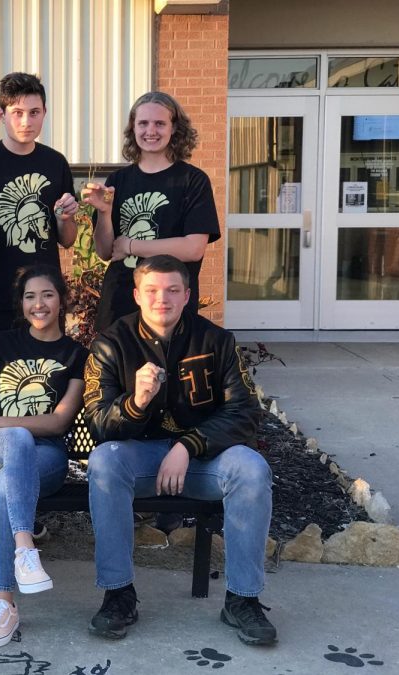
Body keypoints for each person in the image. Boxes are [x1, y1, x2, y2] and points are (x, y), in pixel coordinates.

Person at [83, 255, 276, 646]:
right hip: (141, 460)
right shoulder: (111, 343)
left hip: (203, 460)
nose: (162, 299)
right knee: (104, 463)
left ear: (188, 295)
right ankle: (119, 594)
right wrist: (136, 403)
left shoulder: (216, 342)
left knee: (252, 469)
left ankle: (242, 599)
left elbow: (245, 411)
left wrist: (190, 444)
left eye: (173, 290)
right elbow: (99, 424)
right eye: (152, 291)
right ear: (137, 295)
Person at [0, 265, 87, 648]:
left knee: (7, 484)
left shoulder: (76, 354)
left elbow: (60, 421)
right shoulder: (1, 344)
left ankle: (4, 601)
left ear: (61, 300)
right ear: (21, 303)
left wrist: (0, 420)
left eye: (48, 295)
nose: (39, 304)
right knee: (12, 447)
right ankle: (25, 550)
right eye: (31, 296)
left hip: (45, 458)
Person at [85, 91, 220, 333]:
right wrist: (104, 213)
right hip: (120, 302)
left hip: (168, 305)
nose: (151, 131)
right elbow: (105, 251)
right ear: (133, 128)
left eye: (160, 123)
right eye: (143, 123)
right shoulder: (119, 180)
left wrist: (131, 246)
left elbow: (193, 248)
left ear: (174, 128)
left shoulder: (193, 181)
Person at [0, 72, 78, 335]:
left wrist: (64, 218)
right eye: (17, 112)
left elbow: (67, 240)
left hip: (44, 299)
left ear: (45, 112)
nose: (26, 121)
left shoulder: (55, 163)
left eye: (34, 112)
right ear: (1, 114)